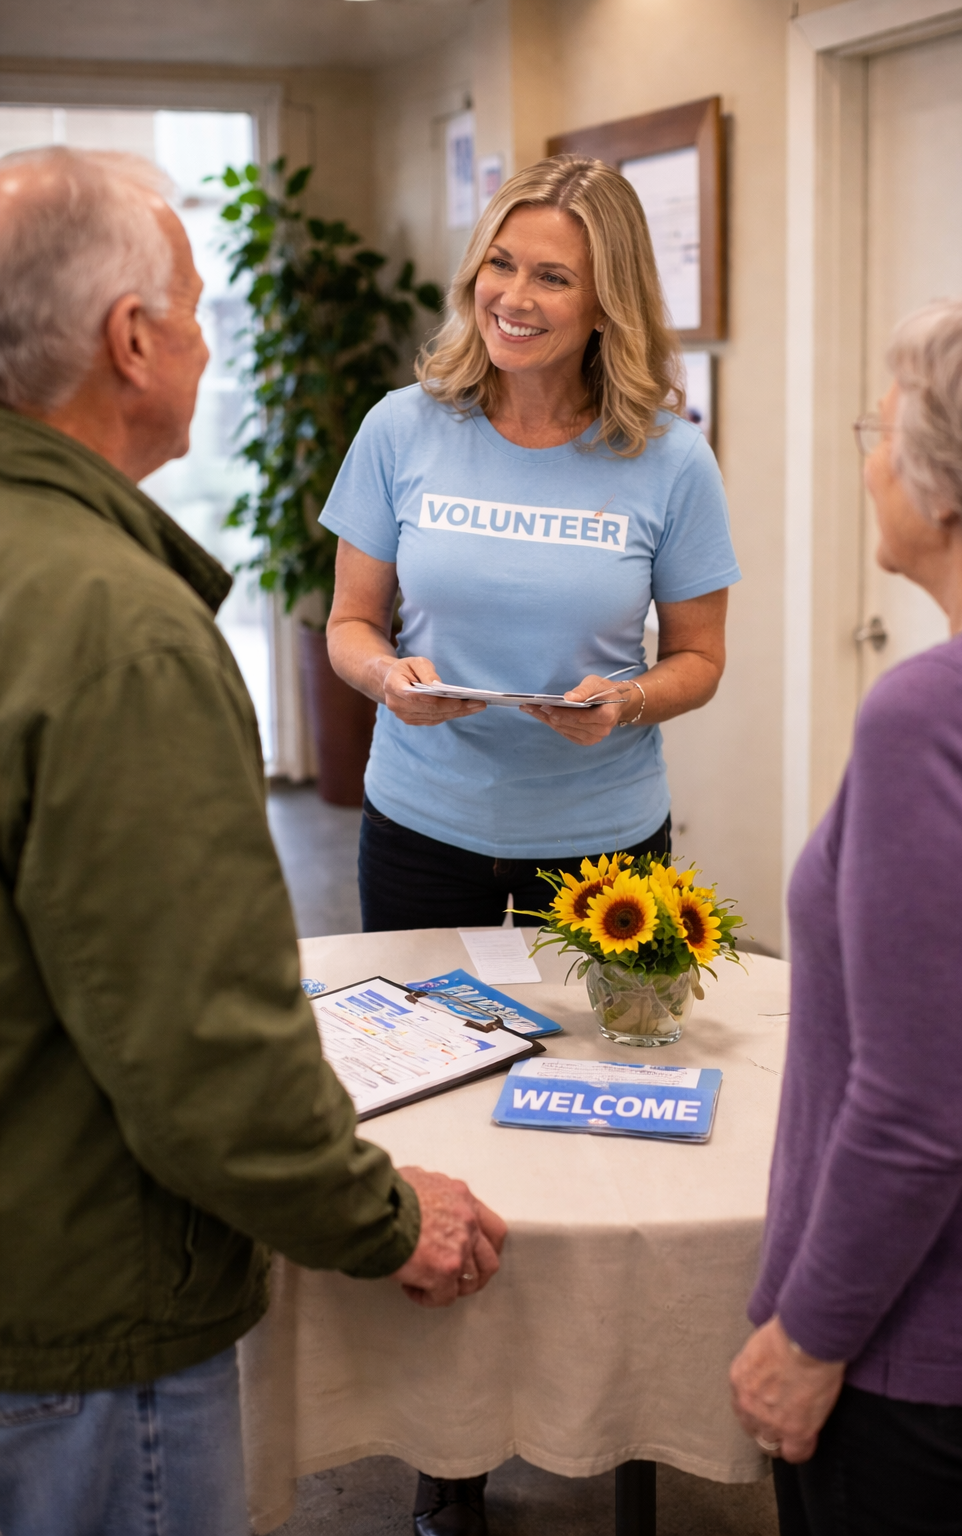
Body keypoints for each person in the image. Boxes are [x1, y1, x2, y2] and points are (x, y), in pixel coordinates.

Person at [0, 146, 505, 1536]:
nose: (212, 344)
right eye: (199, 309)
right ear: (132, 341)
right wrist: (384, 1218)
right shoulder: (118, 630)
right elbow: (200, 1047)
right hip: (81, 1326)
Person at [322, 153, 740, 1534]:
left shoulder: (670, 458)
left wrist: (627, 697)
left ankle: (616, 1439)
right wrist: (388, 680)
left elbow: (698, 659)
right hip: (425, 829)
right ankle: (449, 1468)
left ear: (607, 296)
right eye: (501, 263)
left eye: (550, 274)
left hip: (606, 860)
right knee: (441, 1138)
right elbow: (350, 626)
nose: (512, 295)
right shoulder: (404, 428)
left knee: (604, 1142)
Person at [730, 286, 962, 1535]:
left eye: (881, 432)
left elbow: (917, 1111)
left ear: (947, 485)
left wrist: (809, 1335)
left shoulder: (942, 716)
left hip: (936, 1361)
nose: (869, 466)